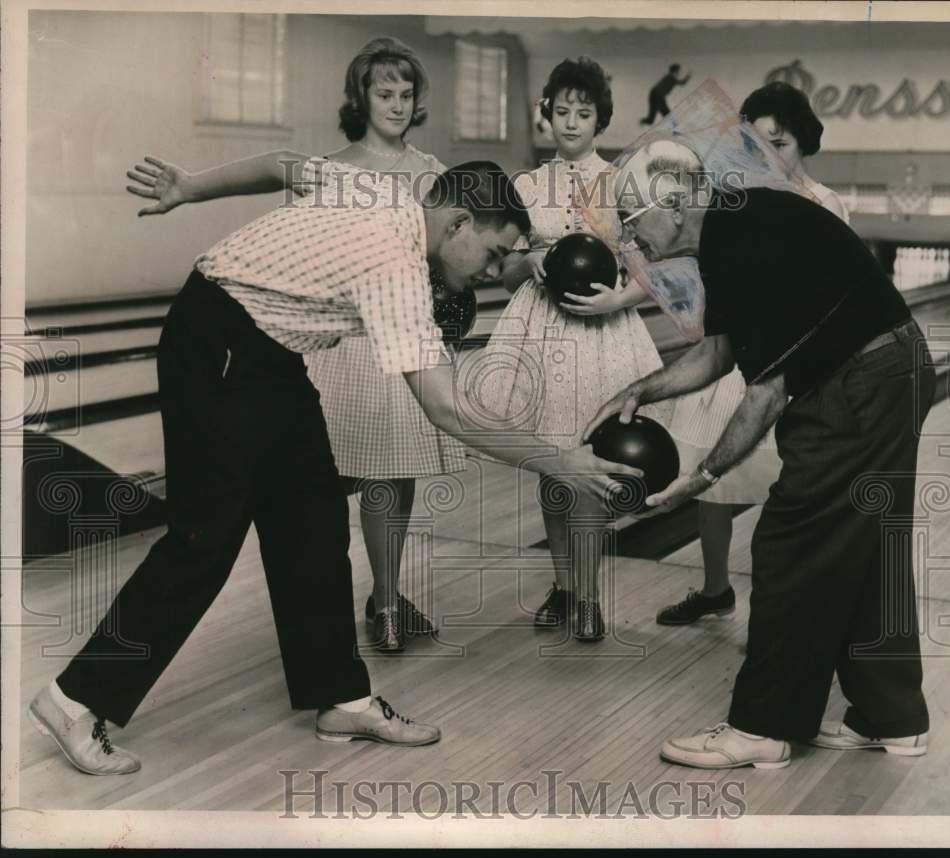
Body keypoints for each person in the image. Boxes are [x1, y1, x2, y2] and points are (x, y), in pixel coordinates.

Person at [28, 161, 640, 776]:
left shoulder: (380, 187)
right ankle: (74, 699)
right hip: (218, 346)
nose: (490, 272)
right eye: (492, 252)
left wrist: (191, 188)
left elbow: (280, 166)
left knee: (314, 524)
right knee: (203, 541)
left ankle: (340, 696)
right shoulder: (395, 269)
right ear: (457, 223)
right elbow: (447, 408)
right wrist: (558, 460)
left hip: (268, 353)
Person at [587, 138, 935, 769]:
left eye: (635, 228)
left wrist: (702, 476)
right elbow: (718, 353)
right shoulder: (730, 229)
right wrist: (641, 388)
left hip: (859, 384)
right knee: (863, 547)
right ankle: (892, 716)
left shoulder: (745, 241)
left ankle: (763, 728)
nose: (635, 247)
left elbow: (766, 391)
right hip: (887, 369)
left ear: (671, 204)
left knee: (791, 543)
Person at [126, 37, 463, 653]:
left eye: (405, 93)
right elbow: (275, 174)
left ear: (417, 101)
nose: (395, 103)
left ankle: (386, 600)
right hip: (340, 344)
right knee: (322, 485)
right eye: (382, 92)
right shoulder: (334, 165)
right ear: (359, 97)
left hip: (399, 335)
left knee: (392, 475)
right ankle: (334, 613)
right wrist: (193, 186)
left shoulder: (432, 174)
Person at [480, 57, 672, 642]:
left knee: (589, 465)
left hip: (602, 333)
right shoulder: (527, 186)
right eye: (561, 111)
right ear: (547, 116)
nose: (570, 122)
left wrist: (618, 302)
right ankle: (564, 588)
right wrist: (529, 259)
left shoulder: (620, 183)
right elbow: (506, 272)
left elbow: (660, 266)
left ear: (600, 120)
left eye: (583, 112)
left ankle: (589, 597)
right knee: (552, 465)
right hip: (541, 331)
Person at [657, 81, 850, 626]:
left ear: (804, 143)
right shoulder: (737, 200)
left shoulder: (825, 203)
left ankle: (784, 603)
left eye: (781, 144)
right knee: (708, 476)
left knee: (786, 485)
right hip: (737, 357)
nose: (770, 156)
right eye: (758, 144)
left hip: (793, 366)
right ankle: (716, 589)